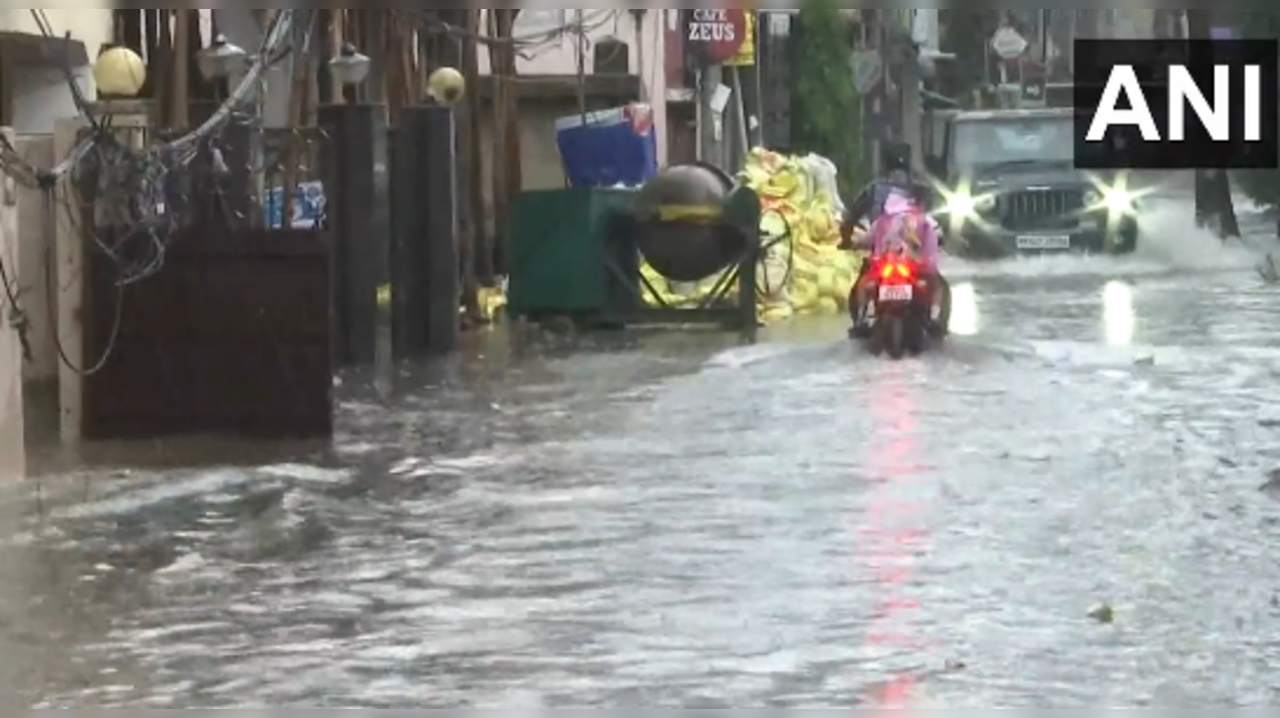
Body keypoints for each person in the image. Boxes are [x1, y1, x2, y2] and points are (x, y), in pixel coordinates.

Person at [848, 188, 950, 336]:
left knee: (864, 283)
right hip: (916, 267)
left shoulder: (881, 221)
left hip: (884, 266)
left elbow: (866, 240)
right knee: (937, 285)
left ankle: (862, 319)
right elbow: (937, 236)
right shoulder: (925, 220)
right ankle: (934, 317)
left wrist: (852, 245)